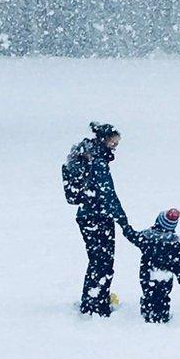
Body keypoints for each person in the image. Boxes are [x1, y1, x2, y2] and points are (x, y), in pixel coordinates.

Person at [63, 122, 129, 317]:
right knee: (104, 263)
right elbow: (108, 195)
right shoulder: (97, 161)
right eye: (113, 142)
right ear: (104, 140)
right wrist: (124, 222)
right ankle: (98, 305)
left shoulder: (85, 156)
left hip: (86, 216)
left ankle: (91, 299)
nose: (115, 146)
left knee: (96, 260)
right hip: (99, 217)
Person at [120, 208, 180, 323]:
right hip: (165, 276)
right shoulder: (174, 243)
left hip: (148, 273)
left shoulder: (147, 237)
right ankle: (163, 315)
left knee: (149, 294)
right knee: (163, 296)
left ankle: (148, 314)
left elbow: (133, 236)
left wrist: (125, 227)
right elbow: (179, 262)